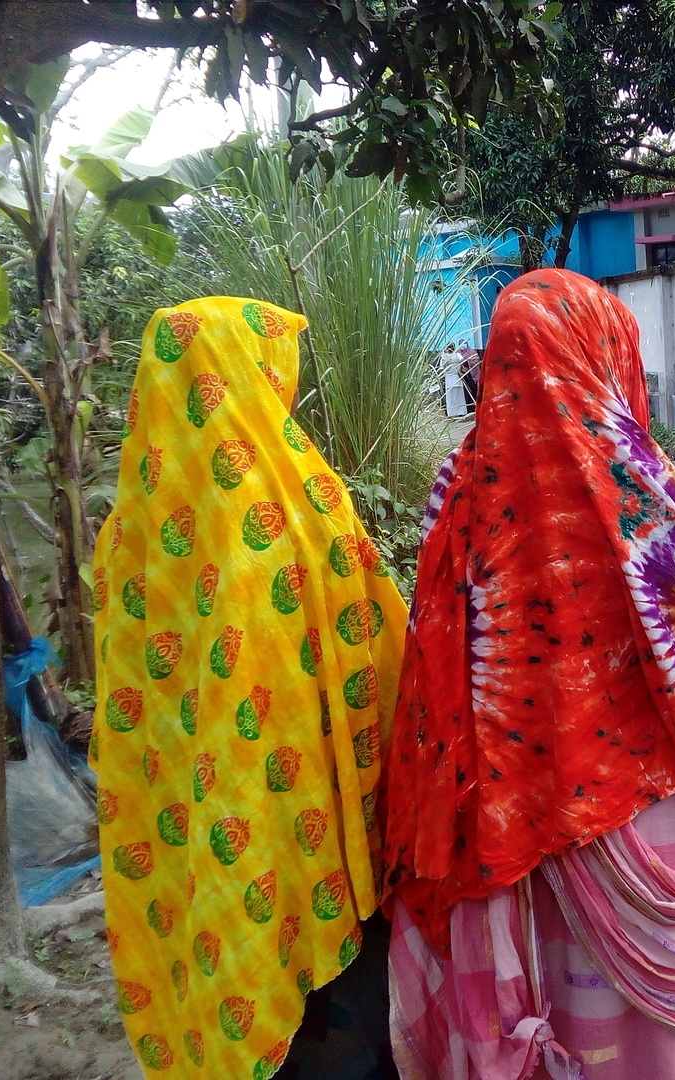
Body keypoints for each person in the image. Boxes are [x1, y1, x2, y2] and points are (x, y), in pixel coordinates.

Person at [380, 268, 675, 1080]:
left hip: (500, 836)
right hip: (639, 822)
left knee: (551, 1018)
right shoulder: (644, 494)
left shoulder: (458, 497)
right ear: (604, 351)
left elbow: (430, 687)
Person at [91, 297, 409, 1078]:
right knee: (344, 1040)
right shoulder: (303, 508)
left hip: (197, 849)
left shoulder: (129, 530)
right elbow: (382, 649)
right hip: (316, 852)